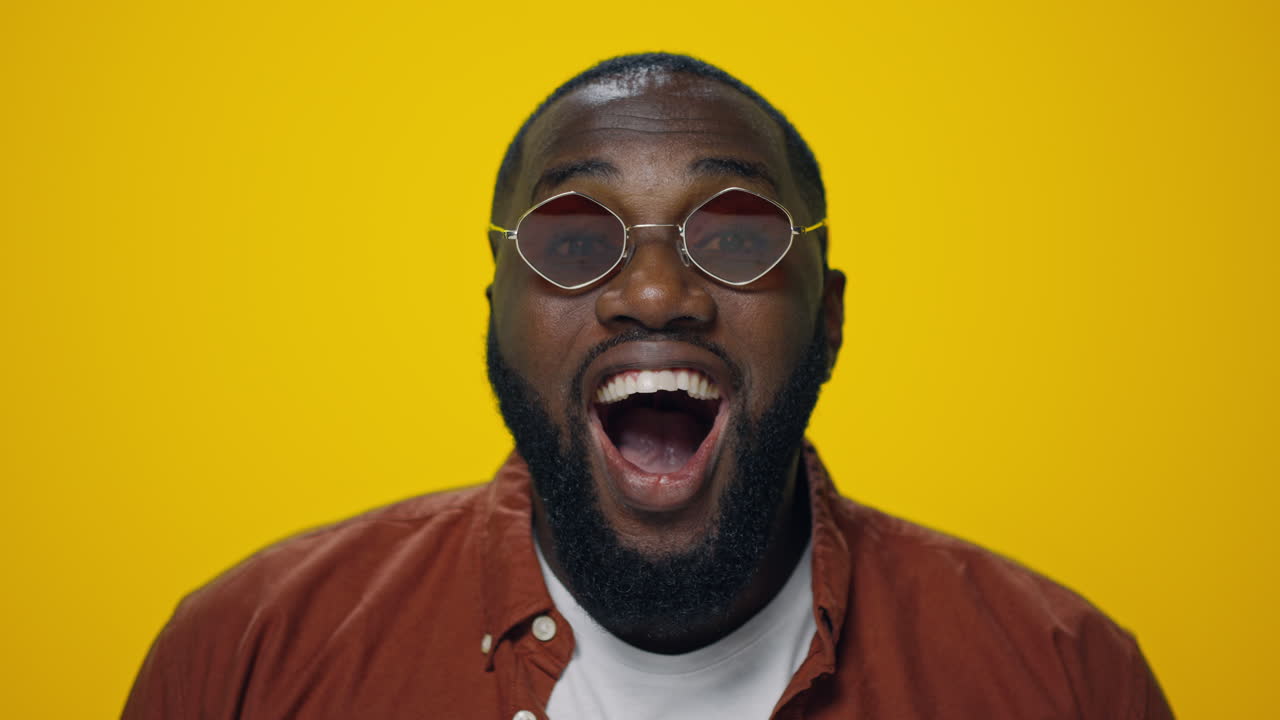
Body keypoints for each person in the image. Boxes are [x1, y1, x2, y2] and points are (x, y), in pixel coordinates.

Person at [124, 53, 1174, 719]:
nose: (658, 289)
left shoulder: (1062, 678)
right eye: (575, 239)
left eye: (734, 234)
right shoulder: (248, 662)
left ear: (830, 314)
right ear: (496, 311)